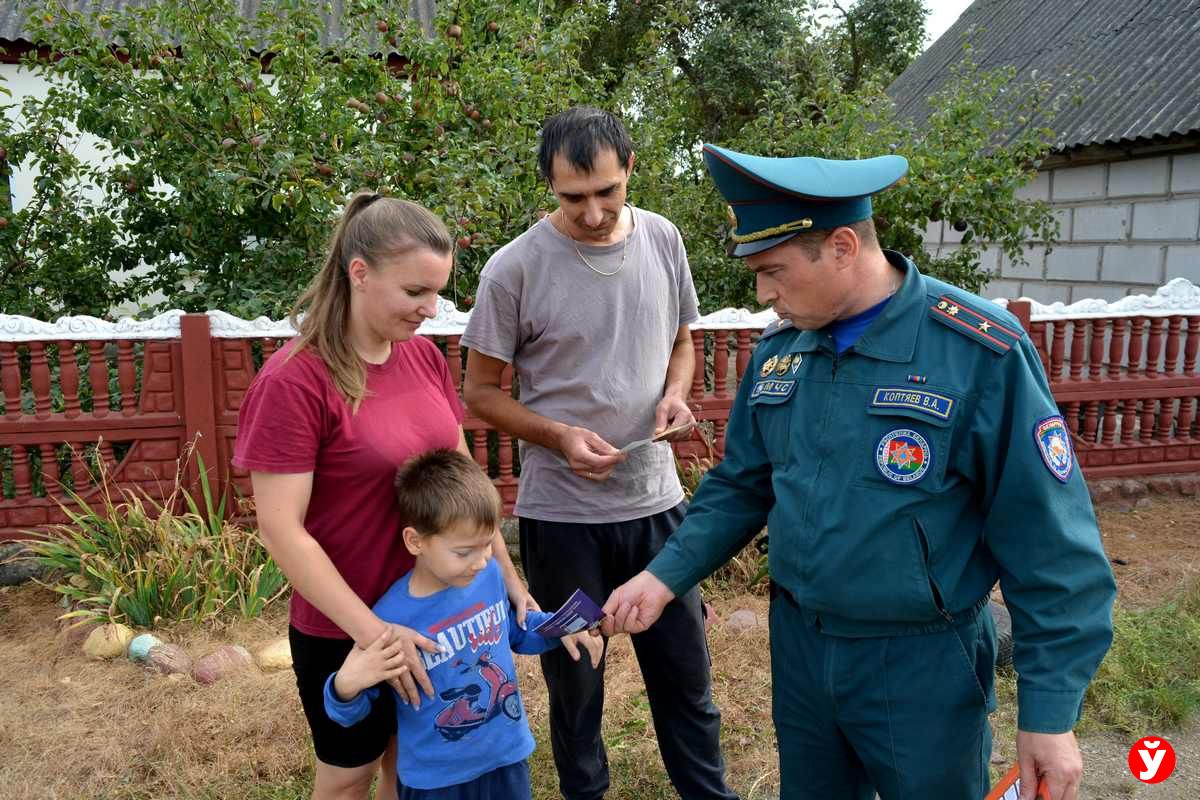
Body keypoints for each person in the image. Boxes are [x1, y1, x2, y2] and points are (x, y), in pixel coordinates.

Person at [601, 144, 1117, 800]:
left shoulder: (977, 353)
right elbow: (741, 484)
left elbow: (1052, 544)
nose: (763, 293)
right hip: (802, 652)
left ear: (842, 247)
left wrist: (1049, 714)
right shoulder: (783, 353)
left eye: (773, 270)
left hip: (920, 664)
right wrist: (664, 576)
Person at [461, 107, 738, 800]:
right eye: (572, 198)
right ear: (549, 188)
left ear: (631, 170)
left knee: (686, 682)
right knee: (577, 692)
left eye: (607, 192)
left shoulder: (664, 238)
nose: (592, 212)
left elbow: (683, 339)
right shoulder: (513, 269)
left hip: (658, 508)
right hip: (563, 521)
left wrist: (677, 393)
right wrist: (557, 436)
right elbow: (480, 394)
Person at [233, 192, 535, 800]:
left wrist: (510, 581)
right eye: (415, 292)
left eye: (438, 291)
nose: (431, 308)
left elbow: (464, 487)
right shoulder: (293, 381)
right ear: (360, 273)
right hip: (346, 626)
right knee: (350, 777)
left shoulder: (423, 358)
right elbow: (282, 530)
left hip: (436, 613)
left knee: (413, 771)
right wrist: (374, 633)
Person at [323, 449, 604, 799]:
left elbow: (515, 631)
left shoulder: (488, 577)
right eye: (464, 552)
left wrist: (561, 627)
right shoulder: (389, 619)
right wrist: (345, 686)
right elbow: (352, 713)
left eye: (488, 545)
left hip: (506, 760)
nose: (481, 561)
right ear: (416, 541)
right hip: (435, 782)